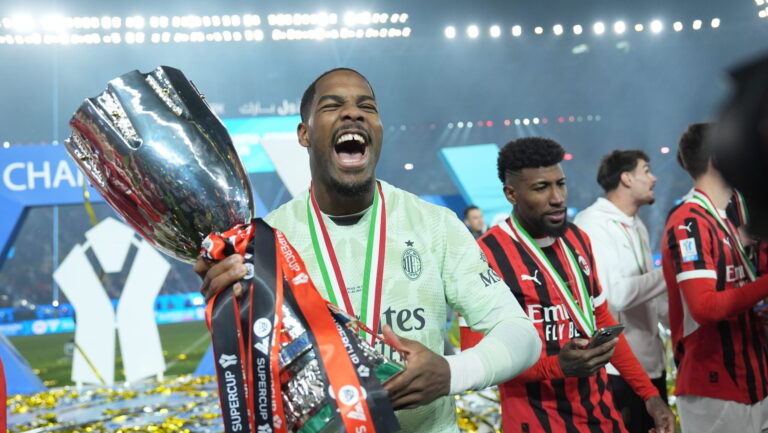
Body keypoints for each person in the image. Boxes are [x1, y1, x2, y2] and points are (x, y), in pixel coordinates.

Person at [196, 68, 541, 433]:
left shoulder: (434, 225)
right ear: (304, 134)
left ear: (378, 130)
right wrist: (226, 305)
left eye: (367, 107)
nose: (353, 113)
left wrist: (451, 372)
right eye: (332, 105)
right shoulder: (266, 243)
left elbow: (521, 334)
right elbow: (254, 371)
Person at [462, 137, 674, 433]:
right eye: (541, 187)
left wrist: (649, 395)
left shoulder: (577, 239)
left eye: (560, 184)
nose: (557, 197)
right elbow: (476, 357)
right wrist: (555, 367)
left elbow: (602, 320)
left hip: (603, 416)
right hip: (537, 423)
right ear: (511, 194)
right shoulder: (485, 255)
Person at [662, 123, 768, 432]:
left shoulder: (728, 218)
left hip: (754, 378)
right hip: (714, 385)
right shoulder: (689, 222)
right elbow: (705, 308)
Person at [573, 150, 668, 433]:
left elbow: (652, 296)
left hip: (653, 363)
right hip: (617, 370)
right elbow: (617, 295)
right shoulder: (592, 224)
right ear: (626, 178)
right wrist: (672, 271)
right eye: (646, 170)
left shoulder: (637, 224)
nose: (654, 178)